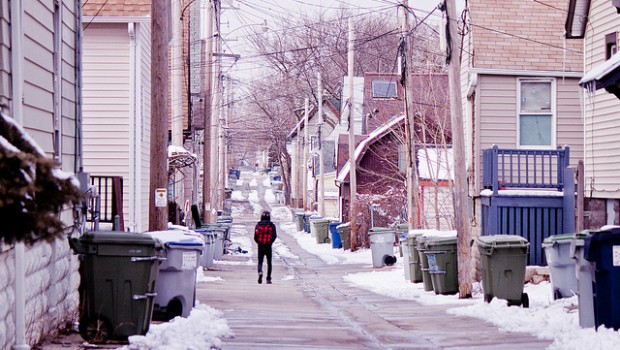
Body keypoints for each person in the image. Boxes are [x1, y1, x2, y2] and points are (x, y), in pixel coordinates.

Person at [254, 210, 277, 284]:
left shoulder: (258, 225)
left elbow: (255, 236)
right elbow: (274, 236)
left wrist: (259, 242)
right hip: (268, 245)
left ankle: (260, 272)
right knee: (269, 262)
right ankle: (268, 278)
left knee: (260, 261)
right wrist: (270, 242)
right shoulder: (272, 225)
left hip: (261, 245)